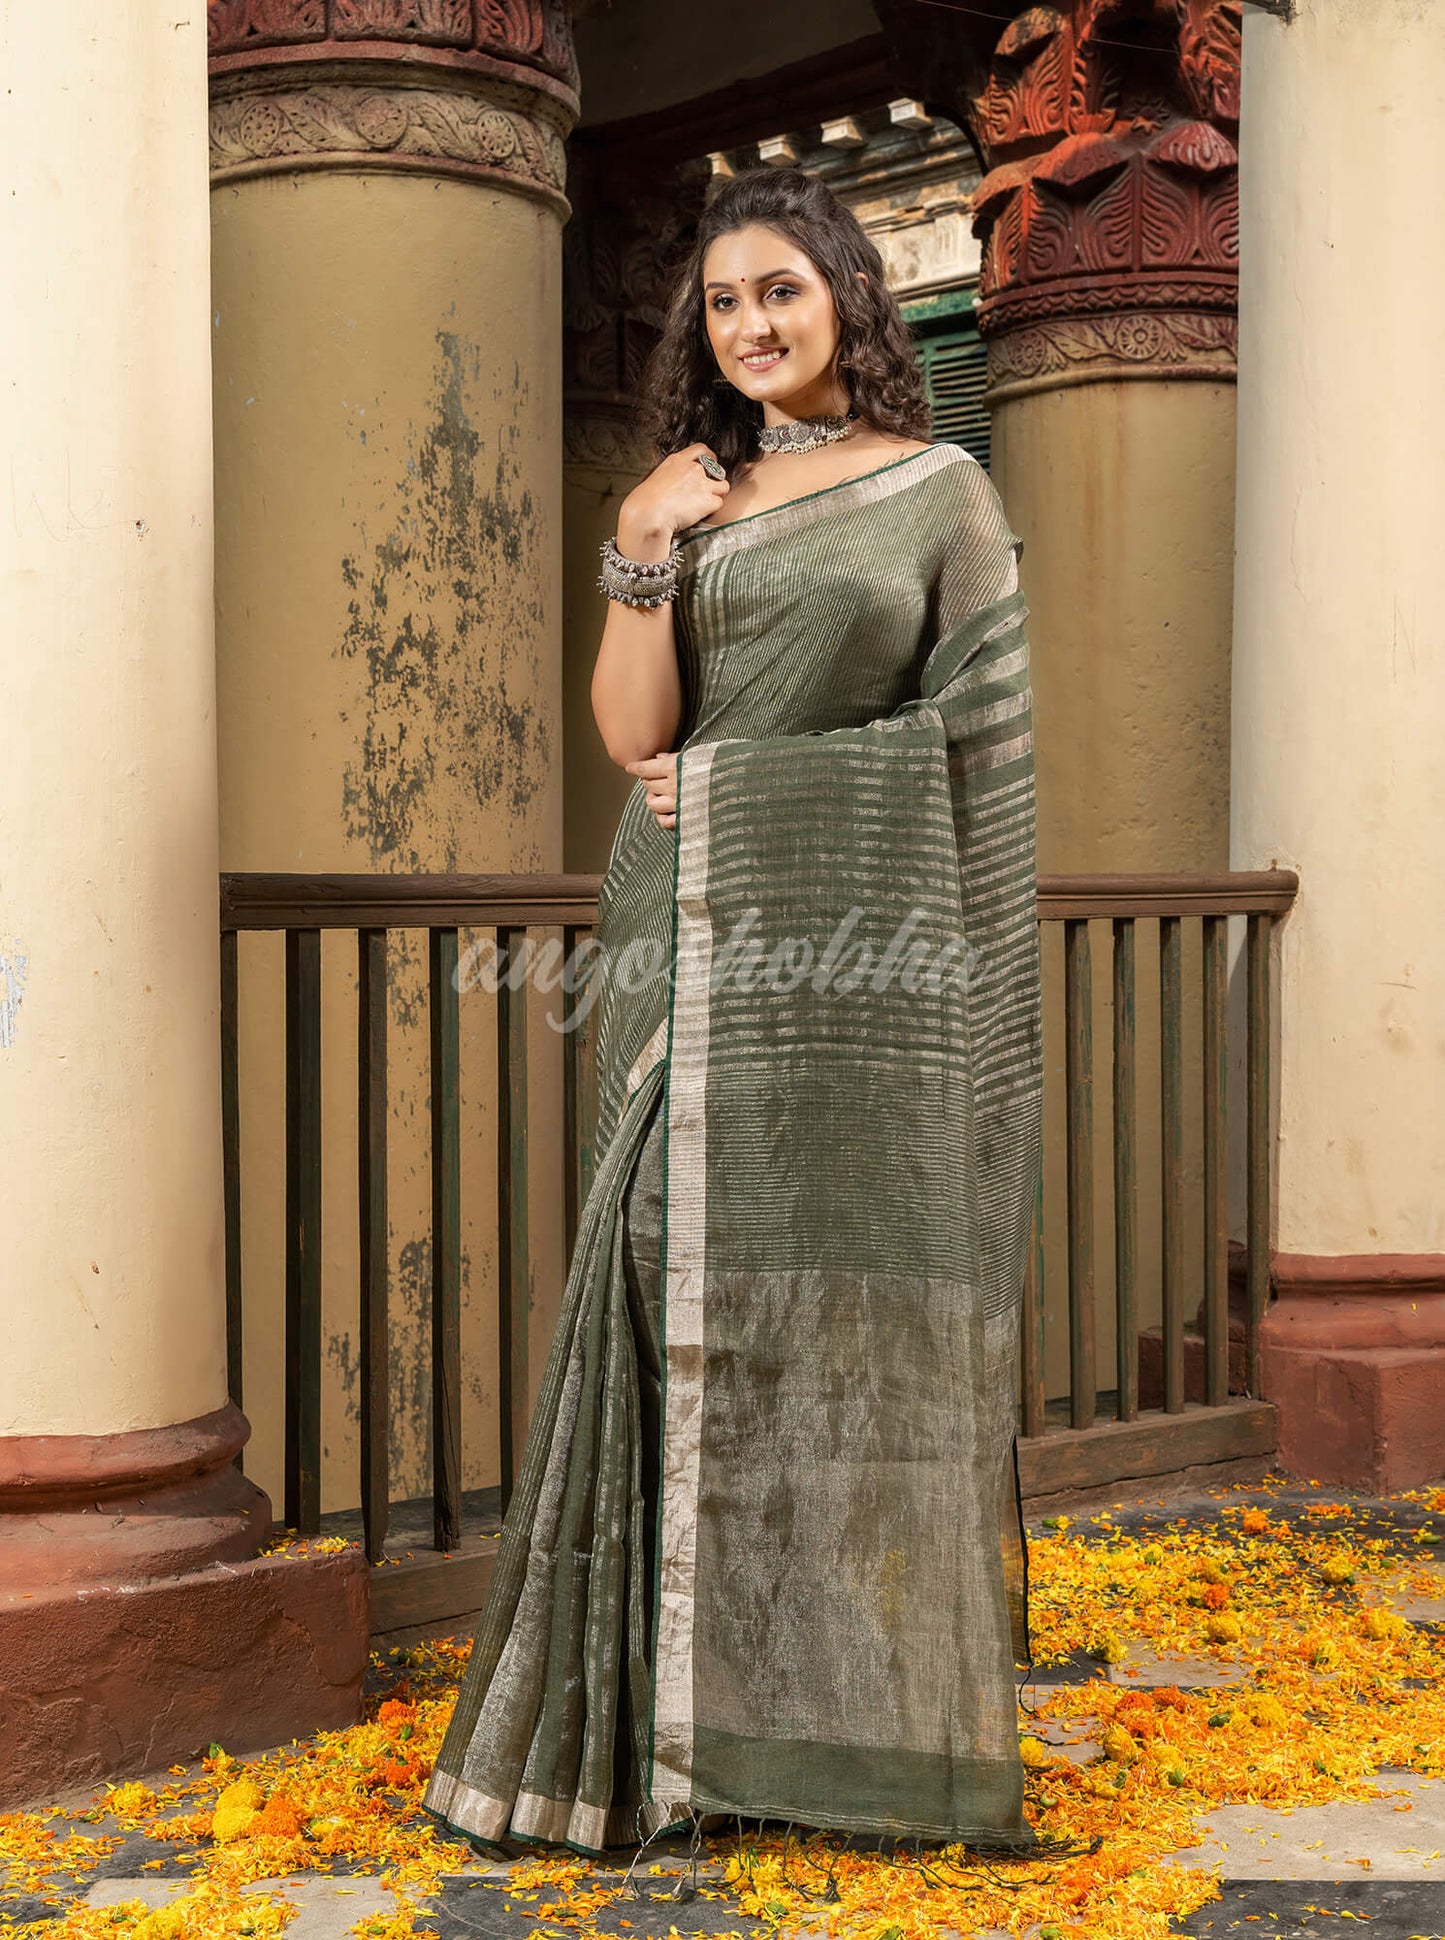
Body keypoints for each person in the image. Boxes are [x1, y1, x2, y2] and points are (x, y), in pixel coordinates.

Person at [424, 165, 1046, 1861]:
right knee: (658, 1276)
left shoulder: (938, 493)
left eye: (780, 289)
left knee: (832, 1305)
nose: (750, 324)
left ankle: (829, 1721)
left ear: (847, 294)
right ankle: (644, 1735)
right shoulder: (685, 499)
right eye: (720, 301)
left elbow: (974, 751)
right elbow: (638, 742)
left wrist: (753, 788)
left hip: (854, 952)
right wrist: (639, 551)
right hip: (682, 930)